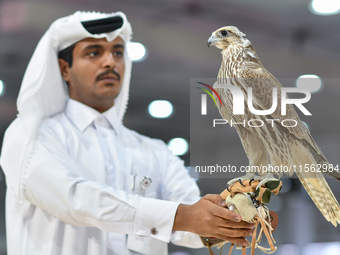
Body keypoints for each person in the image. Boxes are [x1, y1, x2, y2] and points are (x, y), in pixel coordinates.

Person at [0, 11, 254, 255]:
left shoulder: (155, 152)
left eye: (118, 52)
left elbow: (190, 222)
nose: (110, 61)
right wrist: (182, 216)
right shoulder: (31, 136)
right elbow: (76, 200)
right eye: (94, 52)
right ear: (64, 68)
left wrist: (231, 219)